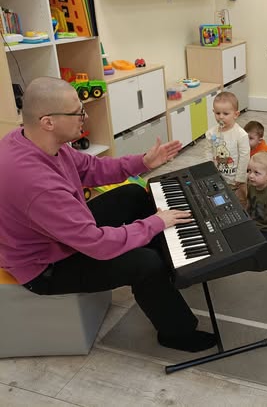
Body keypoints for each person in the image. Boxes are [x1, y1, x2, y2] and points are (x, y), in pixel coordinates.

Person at [0, 77, 216, 353]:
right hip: (45, 267)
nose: (85, 117)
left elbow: (90, 168)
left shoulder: (34, 140)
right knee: (145, 263)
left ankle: (170, 270)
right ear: (48, 122)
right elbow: (97, 244)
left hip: (61, 234)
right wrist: (154, 223)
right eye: (77, 112)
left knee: (133, 195)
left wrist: (142, 162)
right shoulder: (37, 184)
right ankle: (177, 333)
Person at [205, 91, 250, 209]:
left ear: (236, 114)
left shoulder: (240, 134)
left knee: (240, 202)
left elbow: (245, 156)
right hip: (218, 176)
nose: (221, 117)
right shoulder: (211, 133)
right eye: (217, 113)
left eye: (225, 113)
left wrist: (240, 177)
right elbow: (208, 152)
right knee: (220, 201)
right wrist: (209, 170)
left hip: (236, 180)